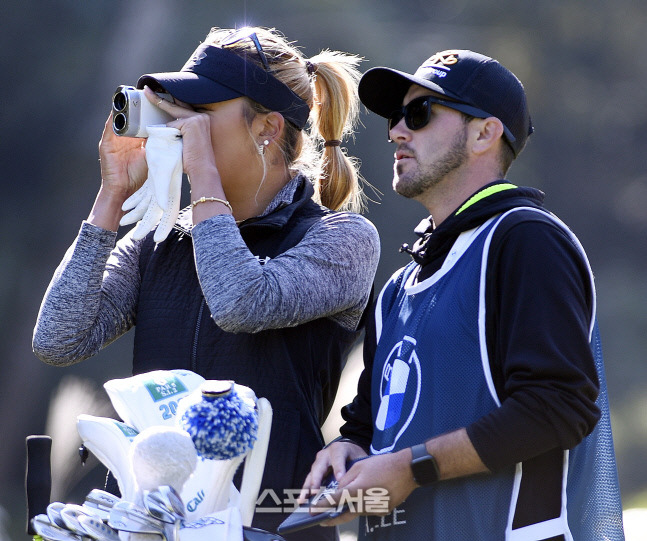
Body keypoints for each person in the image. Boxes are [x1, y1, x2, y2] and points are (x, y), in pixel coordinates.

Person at [32, 26, 380, 540]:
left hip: (269, 527)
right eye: (175, 109)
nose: (177, 126)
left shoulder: (342, 238)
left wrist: (201, 172)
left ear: (266, 128)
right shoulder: (160, 239)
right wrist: (111, 195)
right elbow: (59, 339)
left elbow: (239, 301)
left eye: (200, 111)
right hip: (149, 526)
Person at [302, 49, 625, 540]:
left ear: (484, 133)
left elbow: (559, 406)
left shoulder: (525, 240)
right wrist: (349, 448)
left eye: (420, 113)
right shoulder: (397, 289)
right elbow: (371, 428)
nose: (396, 132)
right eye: (395, 117)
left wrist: (414, 468)